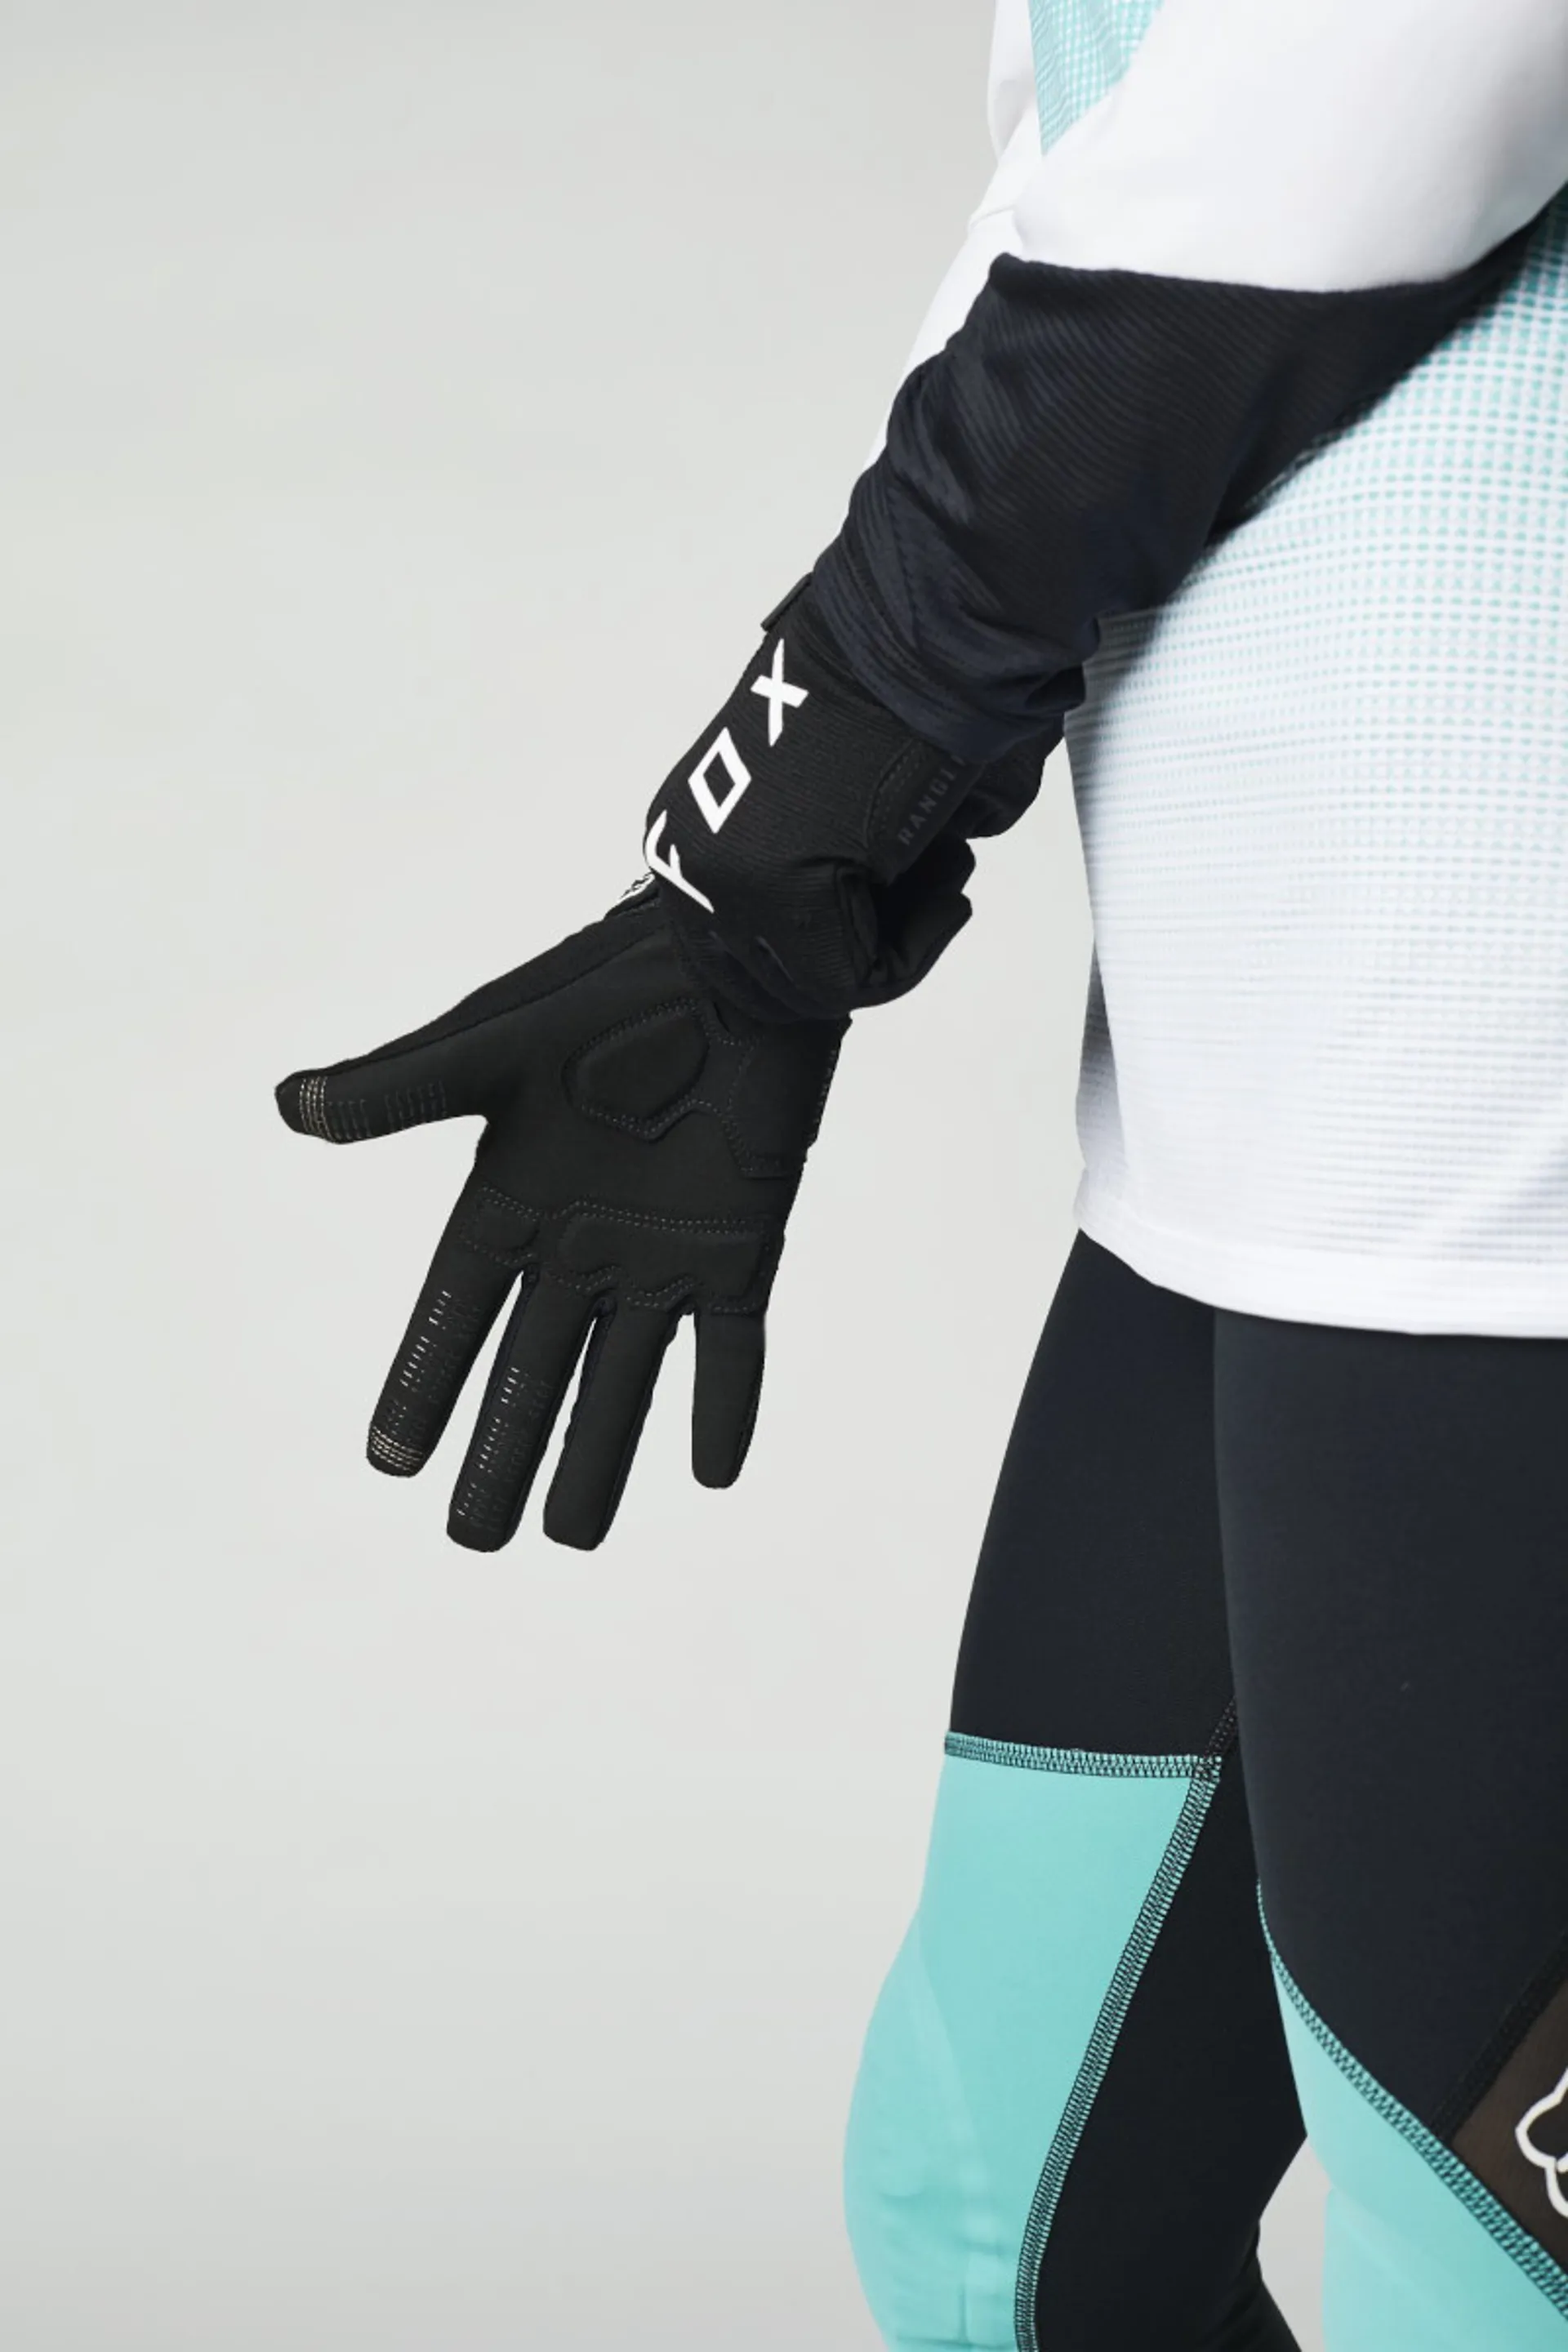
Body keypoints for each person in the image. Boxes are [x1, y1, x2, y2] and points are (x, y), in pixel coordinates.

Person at [276, 0, 1568, 2342]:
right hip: (1258, 1097)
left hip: (1511, 1120)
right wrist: (774, 897)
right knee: (1006, 2233)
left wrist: (825, 758)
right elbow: (1097, 161)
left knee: (1480, 2284)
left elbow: (1343, 123)